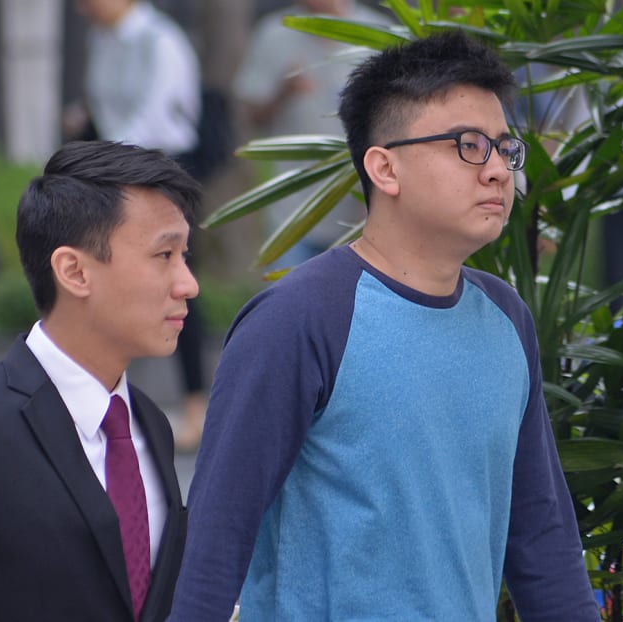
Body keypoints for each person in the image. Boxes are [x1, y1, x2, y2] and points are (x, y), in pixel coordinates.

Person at [168, 31, 601, 620]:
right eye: (469, 146)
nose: (499, 170)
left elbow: (542, 538)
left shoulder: (506, 318)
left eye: (505, 148)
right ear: (385, 167)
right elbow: (216, 539)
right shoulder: (299, 318)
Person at [0, 140, 200, 622]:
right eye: (164, 255)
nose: (188, 283)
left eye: (184, 255)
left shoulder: (149, 426)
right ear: (74, 271)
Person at [66, 0, 209, 452]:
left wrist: (104, 161)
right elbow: (104, 107)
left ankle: (197, 407)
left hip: (162, 171)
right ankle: (103, 403)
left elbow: (155, 116)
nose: (84, 7)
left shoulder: (160, 40)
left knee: (177, 282)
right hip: (114, 176)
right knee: (112, 283)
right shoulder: (102, 40)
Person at [233, 0, 388, 269]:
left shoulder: (378, 32)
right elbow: (250, 114)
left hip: (360, 200)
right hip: (293, 202)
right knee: (287, 286)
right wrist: (284, 92)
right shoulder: (275, 33)